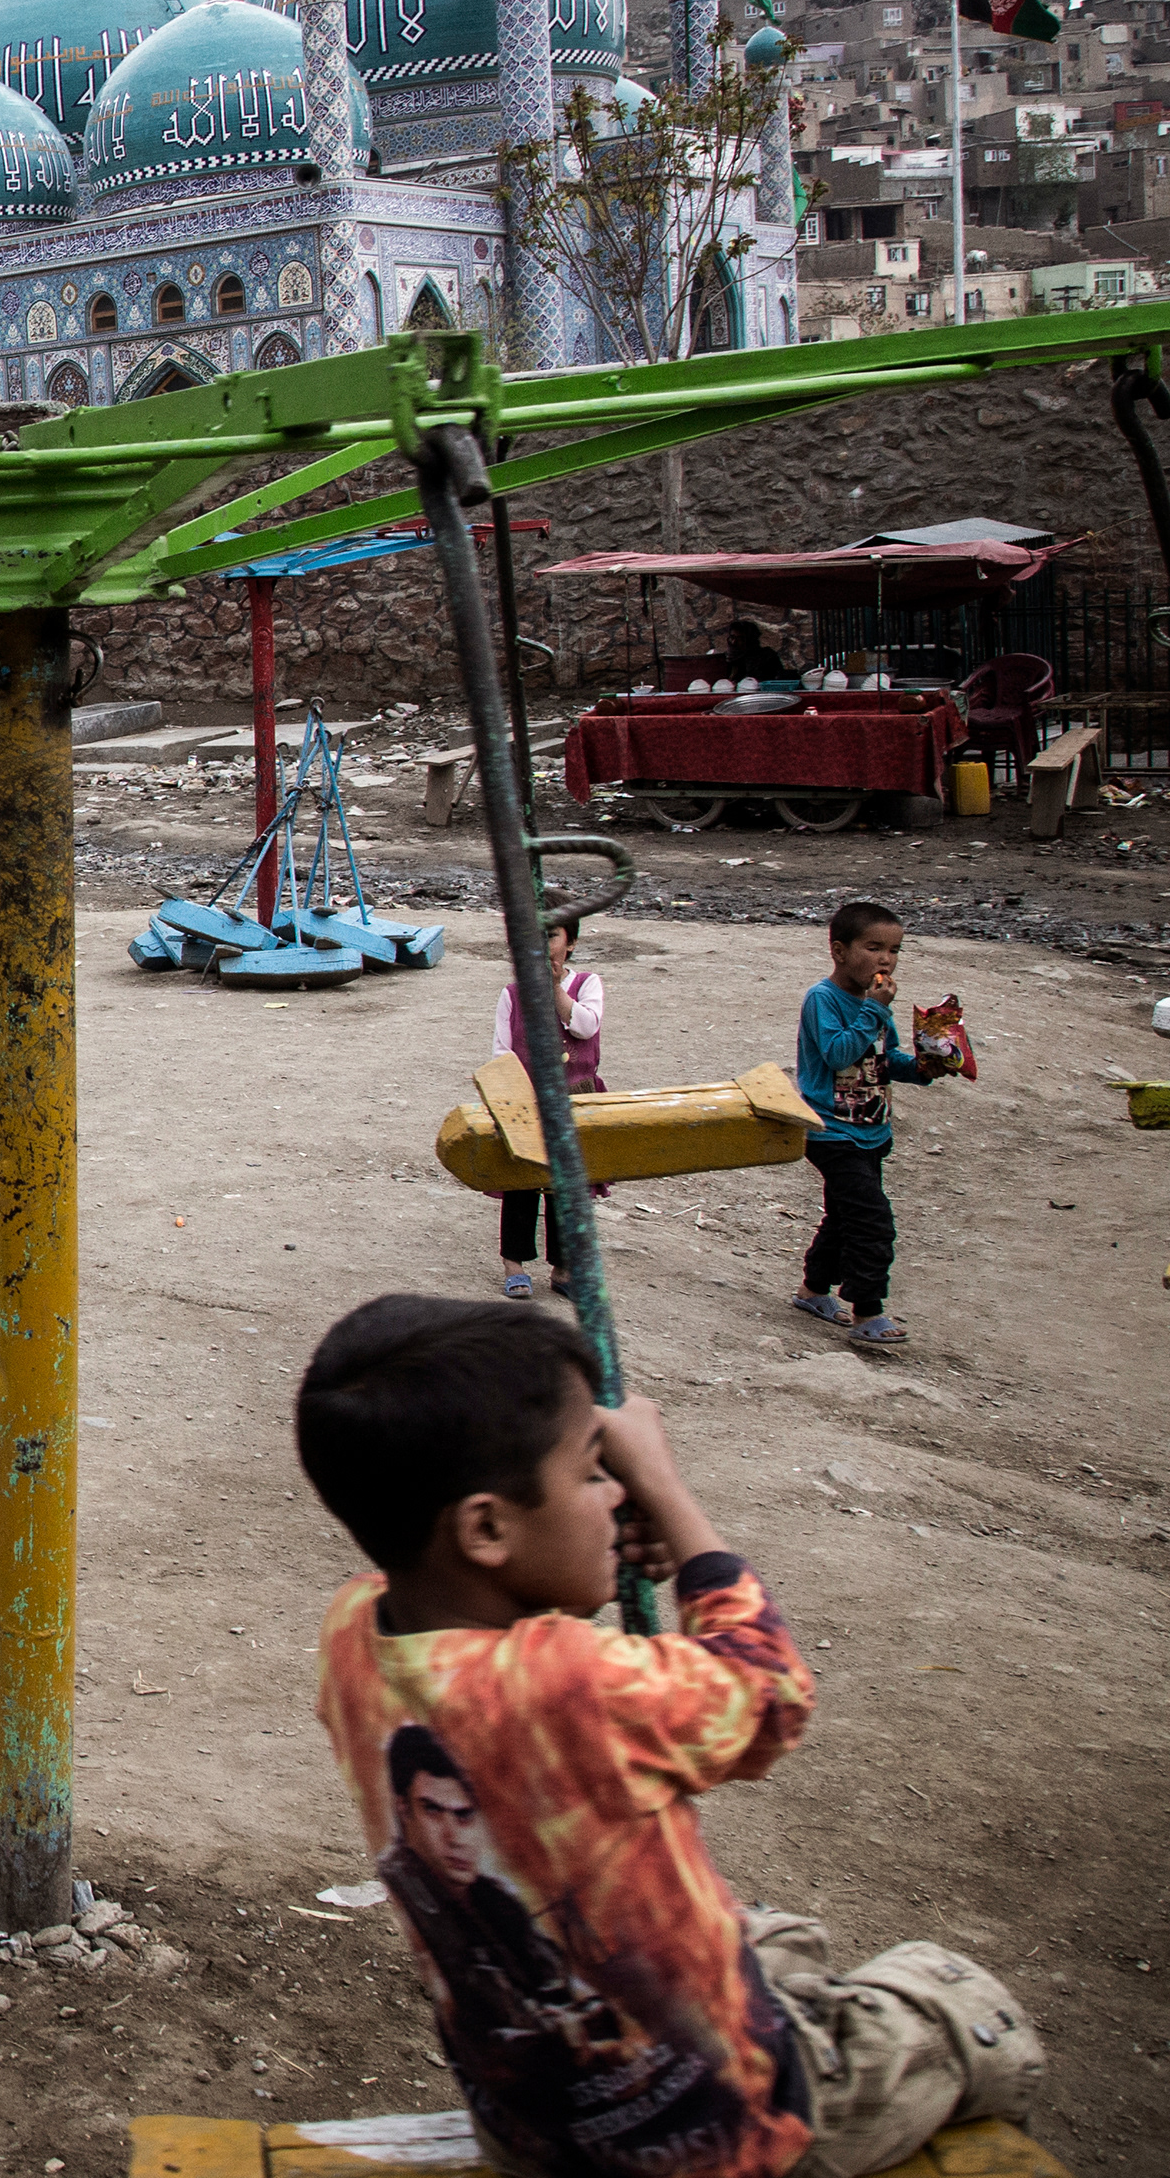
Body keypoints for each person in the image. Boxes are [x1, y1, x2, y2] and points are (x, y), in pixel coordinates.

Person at [294, 1295, 1041, 2178]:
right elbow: (771, 1697)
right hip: (720, 2131)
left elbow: (494, 1658)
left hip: (529, 2124)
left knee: (769, 1936)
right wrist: (669, 1498)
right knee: (954, 1998)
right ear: (487, 1527)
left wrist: (577, 1550)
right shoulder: (577, 1682)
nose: (616, 1492)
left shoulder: (353, 1630)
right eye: (593, 1474)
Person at [790, 901, 949, 1349]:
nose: (886, 960)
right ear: (839, 951)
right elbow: (839, 1053)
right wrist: (875, 1010)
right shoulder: (824, 999)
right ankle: (868, 1311)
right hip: (831, 1132)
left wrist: (923, 1068)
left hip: (871, 1131)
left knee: (845, 1216)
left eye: (894, 950)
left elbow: (884, 1057)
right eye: (874, 948)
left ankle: (813, 1291)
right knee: (872, 1221)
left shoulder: (873, 1004)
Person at [492, 922, 605, 1301]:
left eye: (551, 935)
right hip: (527, 1102)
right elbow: (502, 1053)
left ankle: (563, 1268)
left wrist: (555, 988)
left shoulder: (587, 984)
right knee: (521, 1182)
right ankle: (514, 1263)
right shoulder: (512, 994)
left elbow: (586, 1027)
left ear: (571, 943)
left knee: (565, 1188)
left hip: (576, 1099)